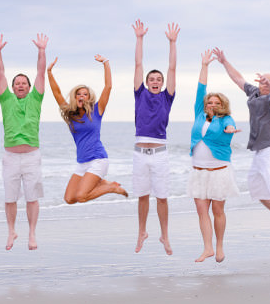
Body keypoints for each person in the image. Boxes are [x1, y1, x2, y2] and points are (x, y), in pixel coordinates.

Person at [213, 48, 270, 246]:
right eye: (262, 81)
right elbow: (238, 79)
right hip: (258, 150)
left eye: (268, 82)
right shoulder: (254, 93)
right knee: (258, 190)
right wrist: (224, 62)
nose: (264, 84)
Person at [0, 33, 48, 251]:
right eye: (18, 83)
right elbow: (0, 73)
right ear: (13, 87)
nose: (21, 85)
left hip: (32, 156)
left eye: (25, 83)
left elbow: (41, 72)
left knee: (32, 198)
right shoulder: (6, 99)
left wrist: (41, 50)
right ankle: (11, 231)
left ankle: (32, 234)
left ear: (29, 86)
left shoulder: (36, 98)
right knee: (9, 198)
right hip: (11, 157)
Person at [48, 54, 129, 204]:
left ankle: (111, 188)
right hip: (82, 162)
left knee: (81, 196)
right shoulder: (70, 114)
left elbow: (108, 87)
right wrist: (49, 72)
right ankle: (104, 183)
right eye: (79, 94)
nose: (81, 96)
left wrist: (106, 63)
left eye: (85, 94)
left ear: (89, 97)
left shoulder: (97, 110)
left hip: (98, 159)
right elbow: (57, 93)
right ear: (74, 97)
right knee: (70, 199)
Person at [131, 21, 178, 255]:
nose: (156, 82)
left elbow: (172, 69)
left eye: (158, 80)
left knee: (161, 197)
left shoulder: (167, 98)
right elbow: (139, 64)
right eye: (152, 80)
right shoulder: (140, 94)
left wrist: (172, 43)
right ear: (147, 83)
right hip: (140, 153)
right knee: (142, 197)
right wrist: (140, 39)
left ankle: (164, 235)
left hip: (160, 154)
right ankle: (142, 232)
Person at [190, 50, 240, 262]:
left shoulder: (227, 119)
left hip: (219, 171)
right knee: (202, 211)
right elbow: (201, 87)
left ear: (222, 105)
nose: (212, 105)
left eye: (216, 103)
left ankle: (219, 247)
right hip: (198, 171)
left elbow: (230, 126)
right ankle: (207, 248)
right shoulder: (199, 114)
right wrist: (205, 65)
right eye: (209, 102)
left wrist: (229, 130)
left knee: (218, 210)